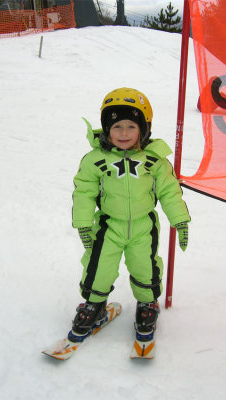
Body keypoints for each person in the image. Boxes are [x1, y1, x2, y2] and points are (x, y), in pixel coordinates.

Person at [70, 87, 190, 341]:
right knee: (98, 267)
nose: (123, 133)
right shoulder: (95, 160)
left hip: (143, 227)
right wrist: (82, 222)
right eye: (116, 127)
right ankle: (95, 304)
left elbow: (170, 191)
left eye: (131, 126)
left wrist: (179, 219)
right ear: (106, 128)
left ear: (144, 128)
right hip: (108, 226)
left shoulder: (154, 160)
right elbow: (84, 192)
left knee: (144, 267)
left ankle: (147, 304)